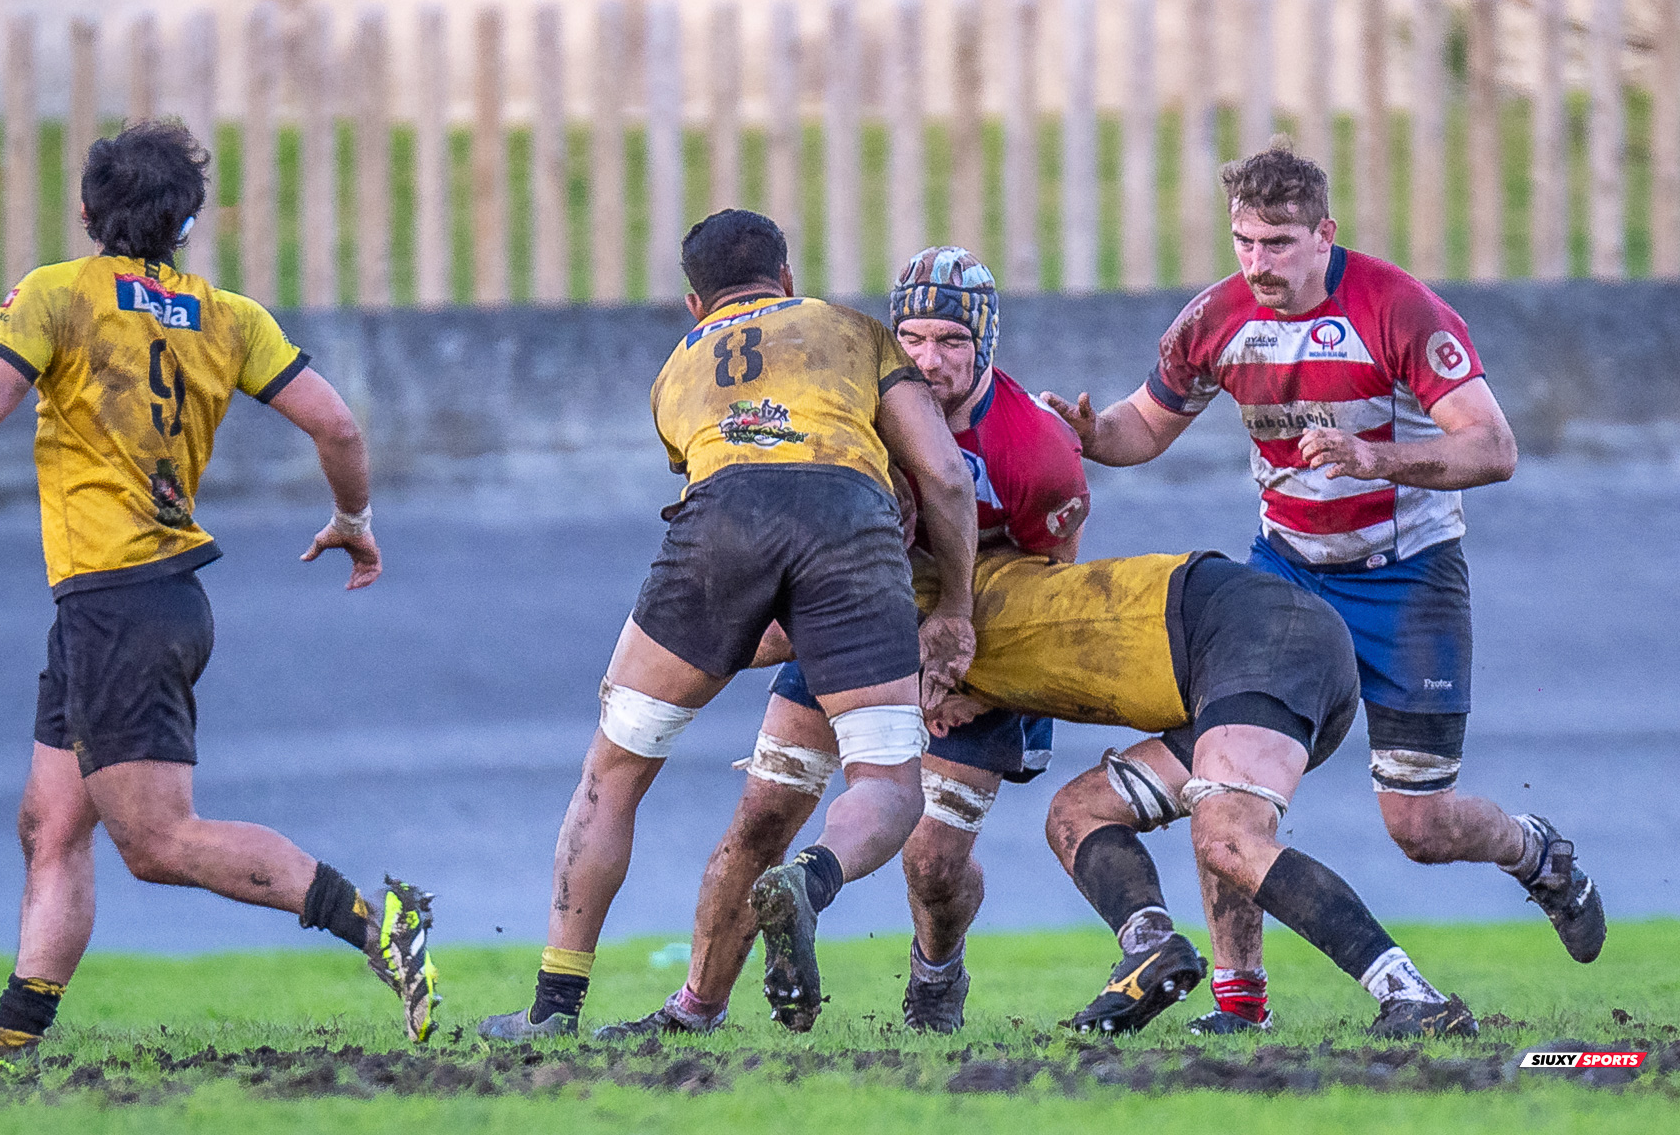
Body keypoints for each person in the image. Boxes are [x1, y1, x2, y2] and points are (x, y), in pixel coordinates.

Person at [600, 247, 1476, 1041]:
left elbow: (1053, 590)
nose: (931, 359)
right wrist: (713, 637)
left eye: (950, 339)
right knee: (771, 815)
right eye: (912, 337)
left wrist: (971, 666)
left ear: (984, 344)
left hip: (1010, 640)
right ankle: (696, 1008)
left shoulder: (1035, 452)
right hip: (866, 617)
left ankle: (939, 972)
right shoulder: (856, 405)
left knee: (943, 859)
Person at [1042, 142, 1603, 1034]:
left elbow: (1494, 448)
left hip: (1408, 580)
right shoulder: (1214, 320)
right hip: (1285, 579)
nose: (1257, 263)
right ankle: (1239, 1003)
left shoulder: (1399, 310)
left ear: (1324, 235)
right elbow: (1139, 431)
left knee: (1418, 827)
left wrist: (1375, 457)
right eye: (1243, 242)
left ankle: (1536, 853)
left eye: (1277, 242)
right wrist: (1088, 434)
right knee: (1220, 786)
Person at [0, 122, 438, 1063]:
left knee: (158, 843)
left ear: (87, 211)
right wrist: (354, 519)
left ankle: (377, 921)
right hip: (132, 605)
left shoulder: (58, 294)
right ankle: (10, 1042)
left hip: (119, 600)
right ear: (187, 222)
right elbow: (336, 426)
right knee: (51, 822)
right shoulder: (228, 316)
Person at [476, 211, 979, 1040]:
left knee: (613, 772)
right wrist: (953, 608)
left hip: (721, 520)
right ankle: (812, 879)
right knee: (888, 783)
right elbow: (947, 479)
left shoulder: (675, 371)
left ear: (692, 303)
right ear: (787, 278)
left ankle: (553, 1008)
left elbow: (740, 504)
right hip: (849, 523)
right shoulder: (851, 329)